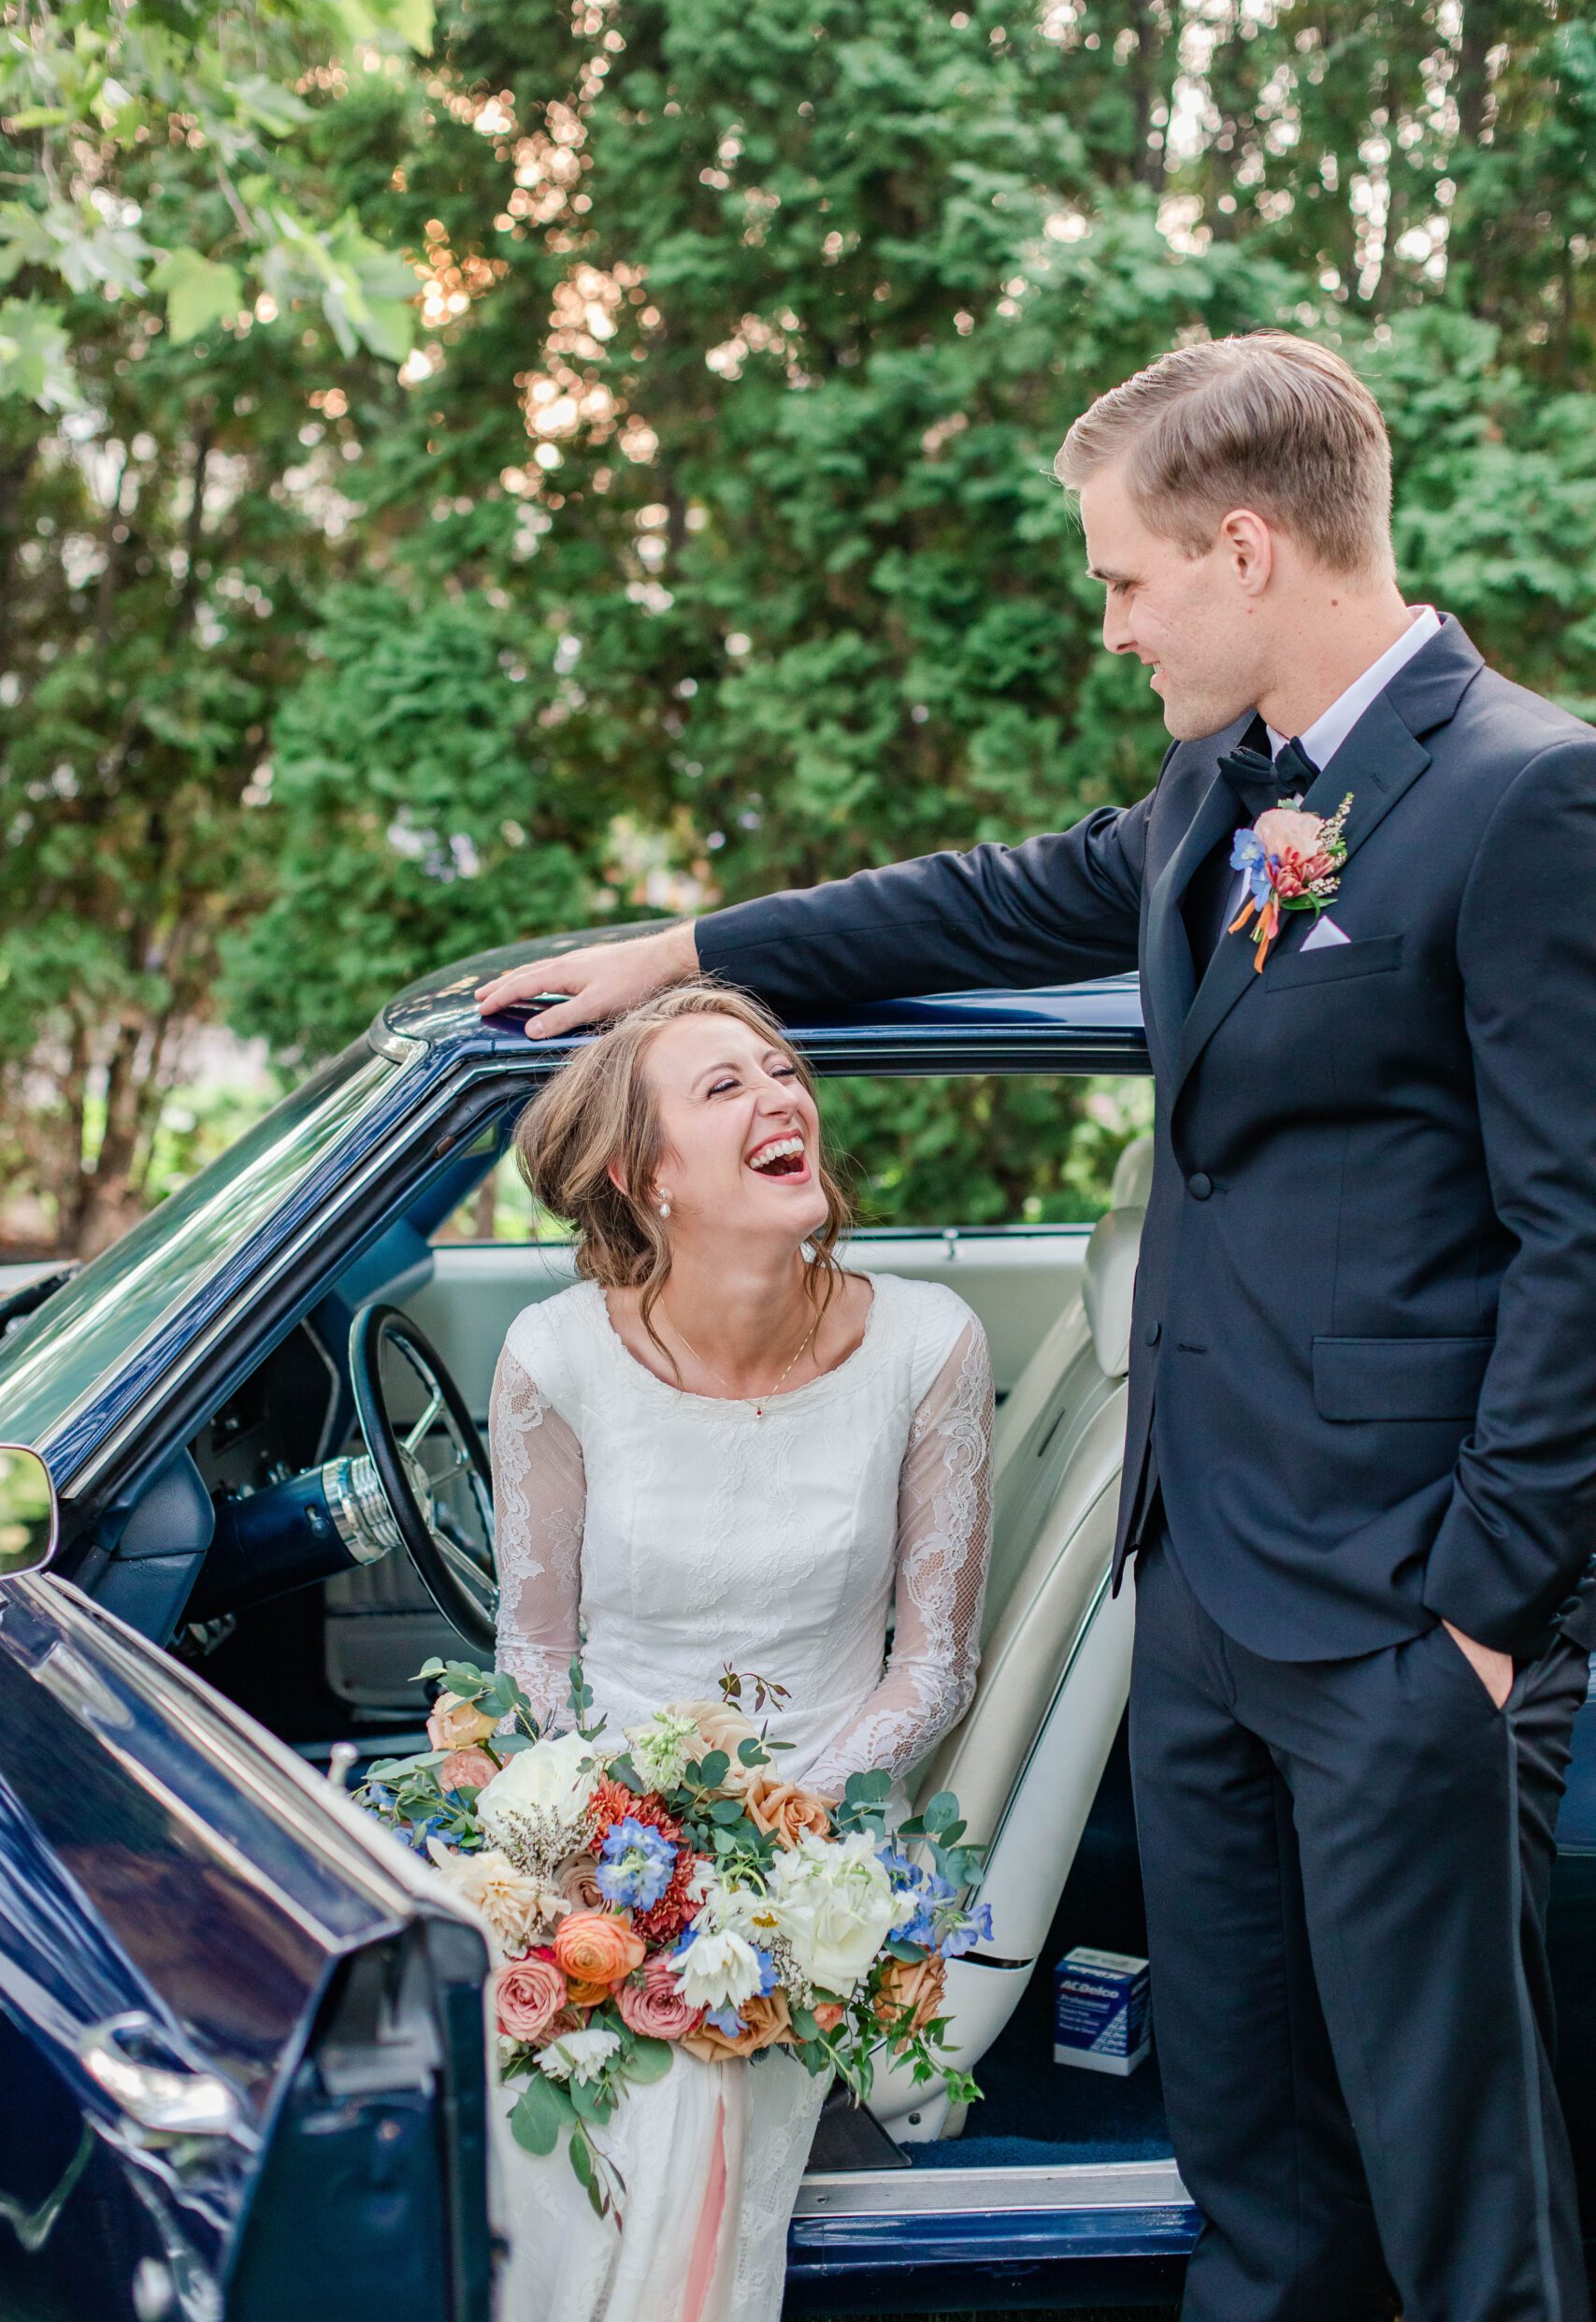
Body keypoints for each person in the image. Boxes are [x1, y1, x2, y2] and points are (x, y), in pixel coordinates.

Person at [477, 332, 1596, 2322]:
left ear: (1241, 548)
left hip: (1404, 1635)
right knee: (1248, 2172)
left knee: (1455, 2205)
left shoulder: (1524, 797)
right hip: (1210, 1613)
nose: (1108, 626)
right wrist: (684, 952)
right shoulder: (1215, 791)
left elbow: (1578, 1242)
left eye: (1121, 578)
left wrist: (1481, 1617)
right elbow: (990, 901)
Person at [484, 982, 994, 2322]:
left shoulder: (931, 1344)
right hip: (593, 1834)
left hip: (823, 1853)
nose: (783, 1098)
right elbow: (531, 1658)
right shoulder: (553, 1358)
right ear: (640, 1174)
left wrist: (772, 1848)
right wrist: (597, 1845)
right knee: (482, 2047)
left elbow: (933, 1669)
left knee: (685, 2074)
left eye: (783, 1071)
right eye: (726, 1088)